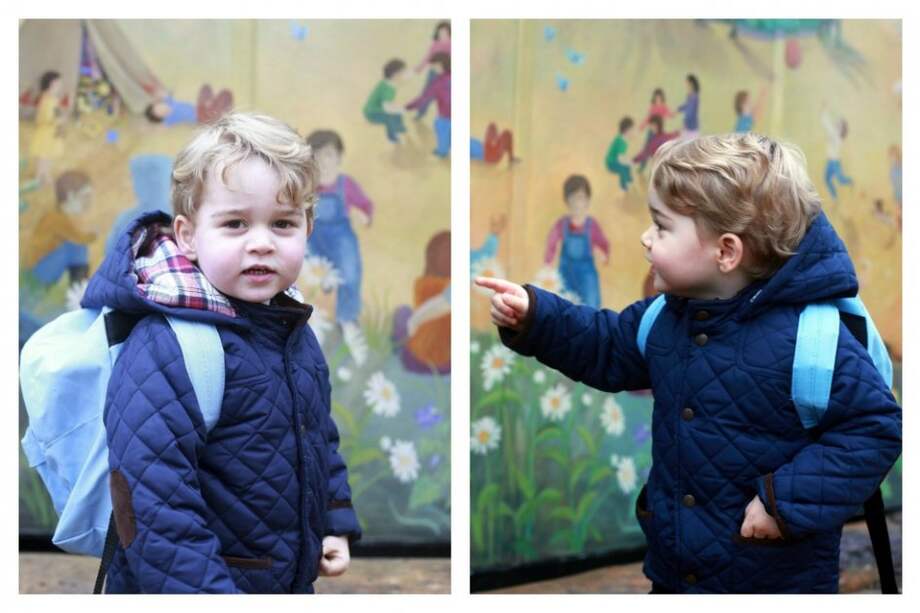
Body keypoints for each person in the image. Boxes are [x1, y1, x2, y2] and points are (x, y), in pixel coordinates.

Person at [476, 133, 901, 593]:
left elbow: (874, 429)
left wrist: (785, 505)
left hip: (774, 580)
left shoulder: (812, 339)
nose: (645, 238)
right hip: (676, 572)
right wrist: (537, 317)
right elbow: (606, 346)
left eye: (661, 227)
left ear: (725, 252)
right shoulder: (667, 315)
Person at [80, 112, 361, 593]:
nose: (261, 244)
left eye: (282, 223)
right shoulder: (170, 344)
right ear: (188, 235)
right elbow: (154, 506)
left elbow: (315, 435)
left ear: (308, 227)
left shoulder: (291, 327)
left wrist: (332, 520)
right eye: (234, 224)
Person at [305, 129, 373, 364]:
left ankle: (348, 321)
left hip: (342, 238)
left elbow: (365, 204)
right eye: (317, 156)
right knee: (310, 272)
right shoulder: (308, 187)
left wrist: (364, 214)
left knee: (351, 274)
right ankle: (315, 327)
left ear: (339, 157)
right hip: (315, 239)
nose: (323, 162)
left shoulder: (346, 185)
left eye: (329, 155)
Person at [543, 175, 610, 308]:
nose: (577, 203)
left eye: (581, 198)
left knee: (590, 308)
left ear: (587, 200)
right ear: (567, 200)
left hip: (587, 277)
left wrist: (604, 254)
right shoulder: (561, 224)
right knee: (565, 307)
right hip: (566, 274)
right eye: (573, 198)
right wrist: (548, 262)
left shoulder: (592, 225)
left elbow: (603, 243)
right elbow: (551, 243)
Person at [24, 170, 96, 286]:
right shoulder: (56, 218)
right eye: (85, 196)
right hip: (36, 274)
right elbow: (80, 238)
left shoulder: (59, 216)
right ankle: (79, 292)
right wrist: (94, 234)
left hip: (41, 270)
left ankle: (79, 290)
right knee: (77, 247)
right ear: (70, 195)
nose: (88, 202)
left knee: (76, 247)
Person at [406, 53, 451, 158]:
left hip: (446, 115)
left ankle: (442, 150)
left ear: (441, 65)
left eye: (434, 66)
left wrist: (407, 107)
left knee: (441, 126)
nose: (432, 69)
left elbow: (424, 99)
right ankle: (442, 149)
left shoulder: (438, 82)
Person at [29, 70, 66, 186]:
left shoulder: (52, 98)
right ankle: (39, 176)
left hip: (51, 132)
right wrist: (58, 120)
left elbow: (55, 112)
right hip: (45, 133)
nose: (60, 86)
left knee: (49, 154)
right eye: (59, 83)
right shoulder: (46, 99)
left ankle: (45, 174)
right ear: (52, 84)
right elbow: (44, 118)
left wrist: (60, 118)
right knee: (43, 156)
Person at [411, 21, 451, 120]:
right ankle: (421, 112)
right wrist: (420, 67)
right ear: (437, 33)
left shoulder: (452, 45)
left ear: (450, 33)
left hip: (446, 74)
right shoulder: (435, 44)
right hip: (433, 73)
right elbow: (428, 57)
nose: (442, 35)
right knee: (426, 93)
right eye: (440, 33)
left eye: (445, 33)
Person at [364, 59, 408, 143]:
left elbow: (387, 103)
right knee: (390, 119)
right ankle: (392, 138)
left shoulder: (387, 82)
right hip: (372, 113)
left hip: (377, 107)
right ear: (395, 75)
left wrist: (398, 108)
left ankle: (400, 128)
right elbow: (387, 108)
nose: (405, 75)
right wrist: (400, 109)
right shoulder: (389, 90)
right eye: (403, 73)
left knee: (398, 113)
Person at [821, 102, 853, 202]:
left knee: (841, 180)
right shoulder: (834, 133)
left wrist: (824, 110)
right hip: (830, 162)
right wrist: (824, 110)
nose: (836, 124)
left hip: (835, 163)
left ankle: (852, 182)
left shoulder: (837, 136)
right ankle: (834, 198)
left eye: (839, 124)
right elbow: (826, 123)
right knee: (827, 179)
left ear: (841, 128)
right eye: (837, 122)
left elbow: (826, 123)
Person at [605, 116, 635, 192]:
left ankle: (628, 179)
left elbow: (621, 156)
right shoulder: (623, 143)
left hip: (614, 159)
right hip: (611, 163)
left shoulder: (621, 138)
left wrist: (628, 161)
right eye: (632, 130)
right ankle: (623, 186)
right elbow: (620, 159)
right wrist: (630, 162)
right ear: (626, 131)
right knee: (623, 169)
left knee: (627, 165)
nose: (633, 131)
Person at [677, 73, 701, 138]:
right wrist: (679, 109)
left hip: (691, 129)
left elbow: (690, 112)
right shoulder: (690, 95)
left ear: (691, 84)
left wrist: (684, 124)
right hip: (690, 128)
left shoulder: (694, 97)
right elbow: (687, 106)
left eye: (687, 83)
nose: (686, 85)